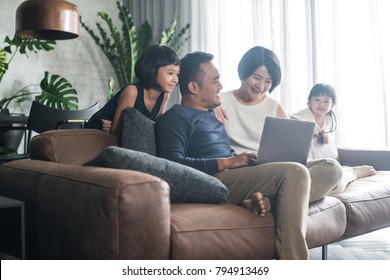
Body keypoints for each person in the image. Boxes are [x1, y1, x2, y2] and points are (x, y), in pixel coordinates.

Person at [155, 51, 311, 260]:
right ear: (193, 87)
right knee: (296, 173)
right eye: (215, 80)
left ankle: (263, 200)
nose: (220, 86)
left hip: (239, 173)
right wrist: (228, 161)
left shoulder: (213, 114)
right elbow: (172, 165)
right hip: (216, 180)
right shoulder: (174, 118)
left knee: (324, 168)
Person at [220, 46, 343, 203]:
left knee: (332, 168)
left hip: (275, 169)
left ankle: (269, 203)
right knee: (296, 174)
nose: (261, 86)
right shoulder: (220, 101)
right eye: (256, 78)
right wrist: (213, 105)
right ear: (244, 72)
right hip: (241, 171)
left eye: (268, 81)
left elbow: (289, 151)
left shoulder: (275, 107)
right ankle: (275, 201)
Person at [291, 83, 376, 194]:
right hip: (303, 162)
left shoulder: (327, 119)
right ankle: (351, 172)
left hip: (321, 166)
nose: (321, 104)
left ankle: (351, 172)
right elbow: (294, 125)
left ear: (333, 105)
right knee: (329, 183)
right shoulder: (300, 117)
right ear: (309, 101)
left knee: (334, 181)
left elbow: (322, 128)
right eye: (317, 99)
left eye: (326, 101)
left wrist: (323, 132)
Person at [85, 44, 180, 138]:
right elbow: (116, 131)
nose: (175, 79)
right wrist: (120, 127)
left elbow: (156, 127)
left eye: (177, 74)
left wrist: (122, 127)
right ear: (152, 69)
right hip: (96, 132)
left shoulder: (165, 95)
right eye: (170, 73)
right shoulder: (132, 92)